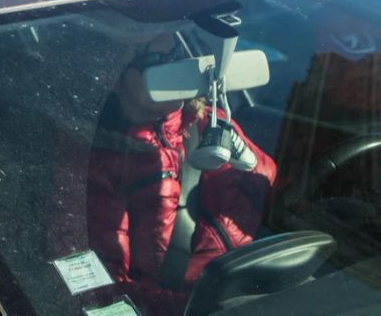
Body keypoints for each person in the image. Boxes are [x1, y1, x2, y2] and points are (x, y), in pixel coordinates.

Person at [52, 33, 276, 314]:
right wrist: (199, 306)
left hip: (257, 287)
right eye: (157, 61)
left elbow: (270, 196)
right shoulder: (91, 162)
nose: (175, 71)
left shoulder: (208, 123)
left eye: (180, 59)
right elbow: (98, 288)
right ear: (114, 76)